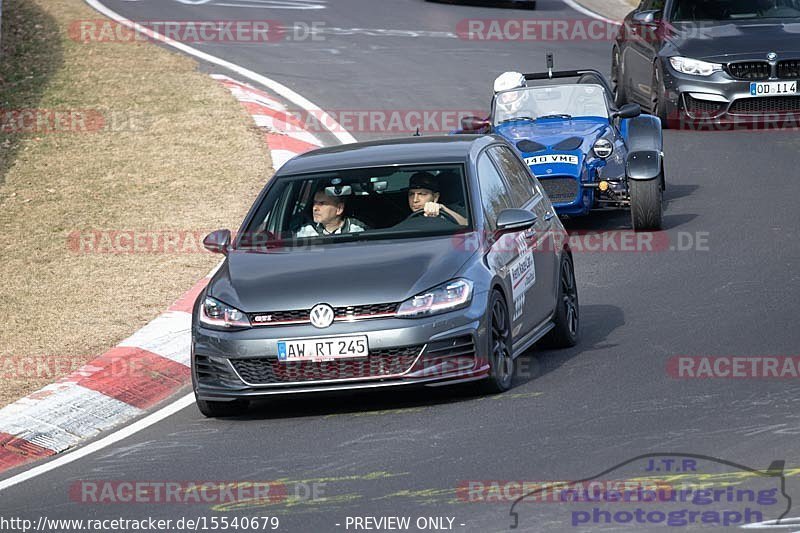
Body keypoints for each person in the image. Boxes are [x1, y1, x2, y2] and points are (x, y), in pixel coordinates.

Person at [296, 187, 367, 237]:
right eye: (314, 203)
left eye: (322, 203)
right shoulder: (305, 232)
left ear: (339, 209)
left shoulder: (357, 231)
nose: (314, 208)